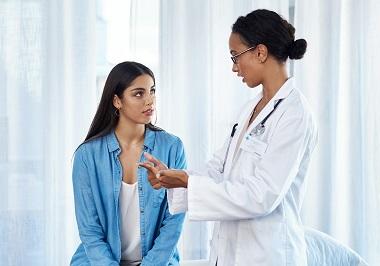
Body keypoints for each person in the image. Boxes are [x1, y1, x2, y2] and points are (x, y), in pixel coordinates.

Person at [139, 9, 318, 266]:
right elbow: (218, 169)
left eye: (236, 56)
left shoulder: (295, 113)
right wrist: (175, 179)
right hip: (231, 251)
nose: (234, 67)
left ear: (260, 52)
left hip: (269, 255)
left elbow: (261, 196)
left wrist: (188, 182)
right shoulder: (250, 109)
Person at [70, 61, 186, 266]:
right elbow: (90, 230)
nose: (150, 100)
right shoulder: (87, 156)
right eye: (138, 93)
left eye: (152, 91)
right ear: (117, 101)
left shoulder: (172, 147)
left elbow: (174, 220)